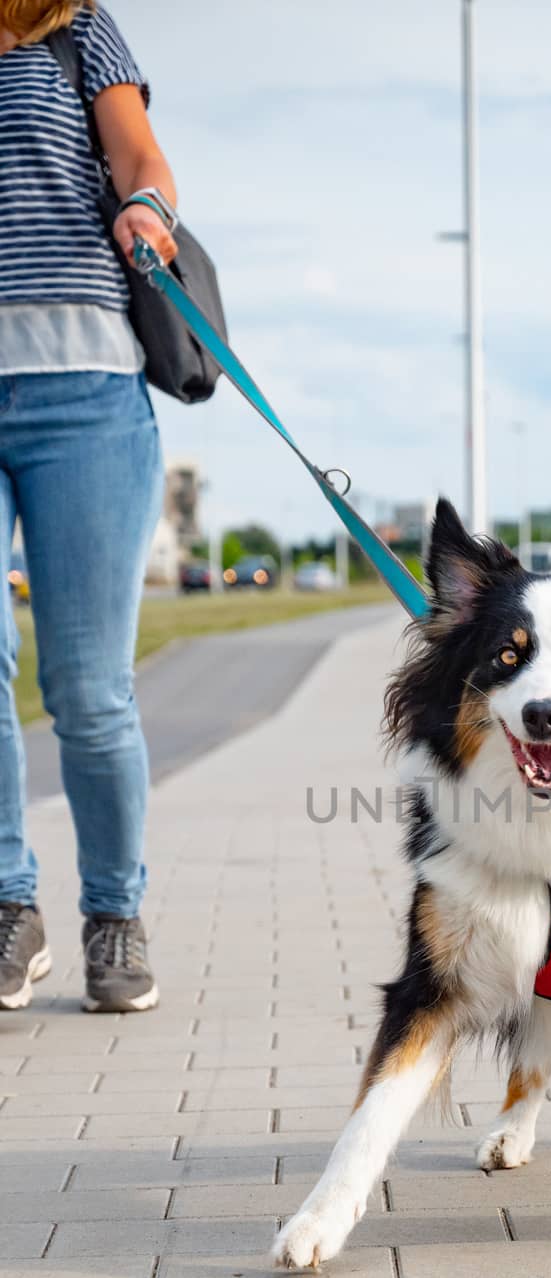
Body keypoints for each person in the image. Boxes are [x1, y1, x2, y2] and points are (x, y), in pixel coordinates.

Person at [0, 0, 178, 1011]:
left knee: (88, 684)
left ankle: (114, 913)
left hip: (85, 394)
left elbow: (140, 156)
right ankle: (6, 909)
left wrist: (147, 209)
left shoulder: (75, 27)